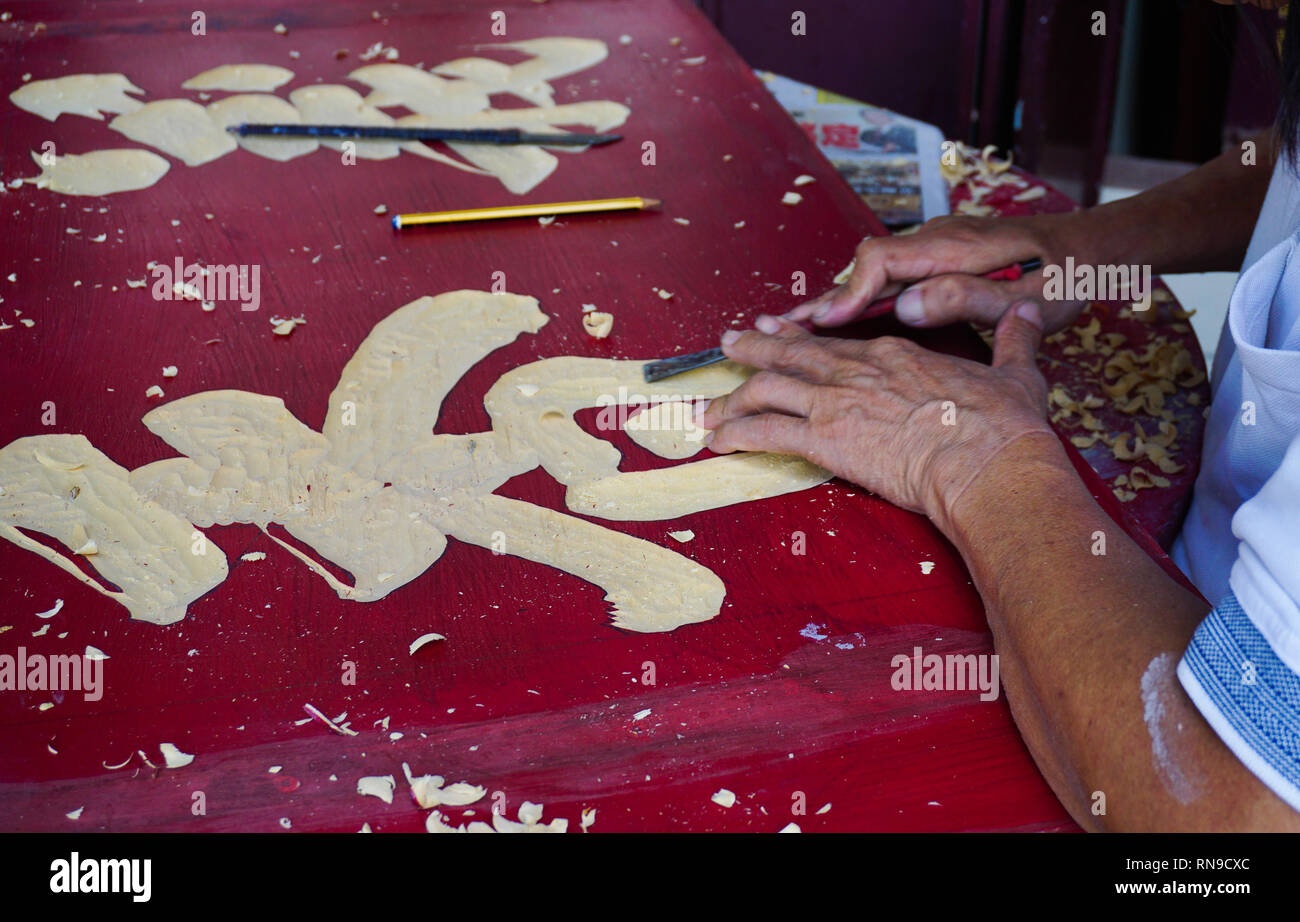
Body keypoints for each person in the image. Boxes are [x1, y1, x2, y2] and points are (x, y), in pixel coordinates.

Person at [698, 2, 1300, 830]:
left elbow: (1229, 821)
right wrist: (1079, 249)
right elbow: (1287, 159)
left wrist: (983, 459)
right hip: (1158, 604)